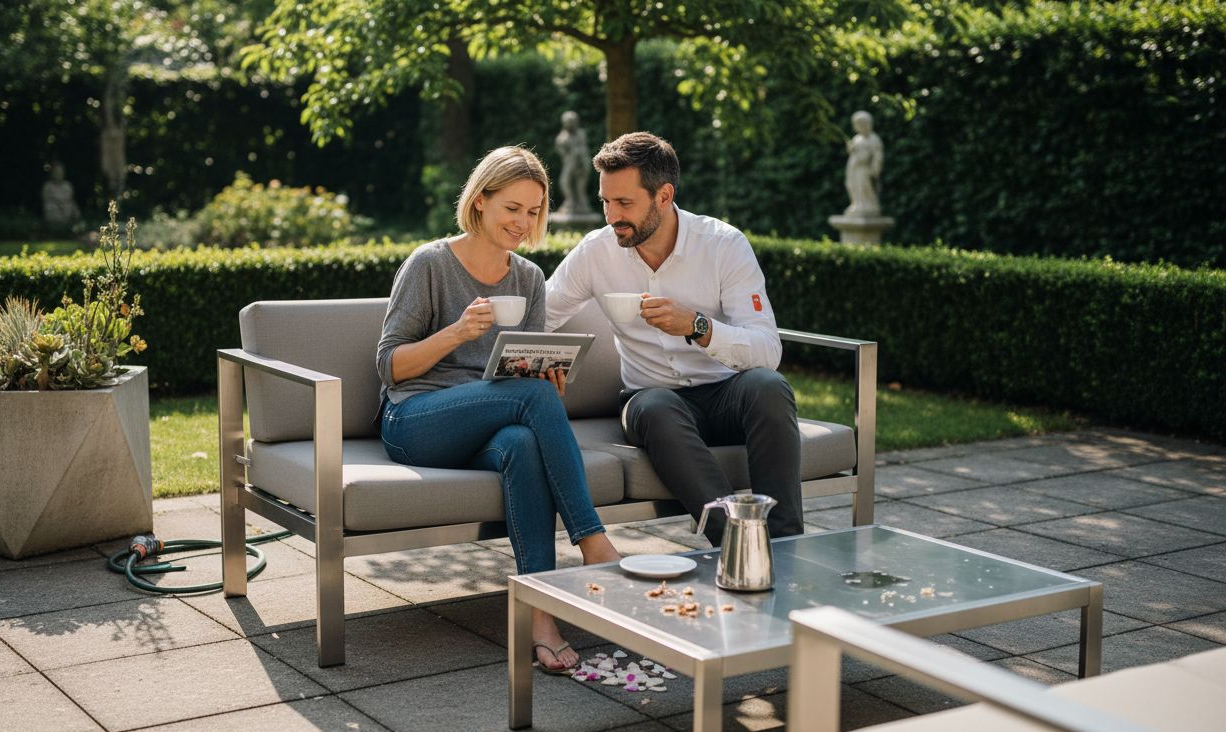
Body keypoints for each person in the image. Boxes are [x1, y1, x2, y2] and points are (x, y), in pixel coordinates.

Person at [376, 146, 620, 674]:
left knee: (522, 443)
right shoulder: (431, 264)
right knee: (527, 406)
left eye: (533, 212)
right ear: (481, 201)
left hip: (491, 423)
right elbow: (390, 367)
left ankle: (541, 618)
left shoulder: (528, 278)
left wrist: (546, 375)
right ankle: (593, 540)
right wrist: (458, 332)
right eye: (512, 208)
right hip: (415, 419)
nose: (523, 222)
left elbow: (523, 387)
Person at [544, 132, 802, 546]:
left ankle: (789, 544)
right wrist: (538, 362)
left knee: (768, 387)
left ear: (664, 196)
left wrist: (698, 328)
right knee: (657, 405)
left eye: (624, 203)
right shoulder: (596, 252)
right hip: (648, 400)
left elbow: (767, 350)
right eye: (605, 202)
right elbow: (542, 315)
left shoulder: (723, 245)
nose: (612, 216)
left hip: (724, 395)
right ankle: (739, 546)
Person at [844, 111, 884, 216]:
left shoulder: (873, 138)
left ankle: (868, 205)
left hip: (864, 168)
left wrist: (875, 168)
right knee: (852, 185)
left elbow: (877, 155)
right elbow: (852, 152)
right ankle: (856, 204)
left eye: (861, 124)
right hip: (853, 167)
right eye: (856, 124)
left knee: (864, 186)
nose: (858, 127)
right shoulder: (856, 138)